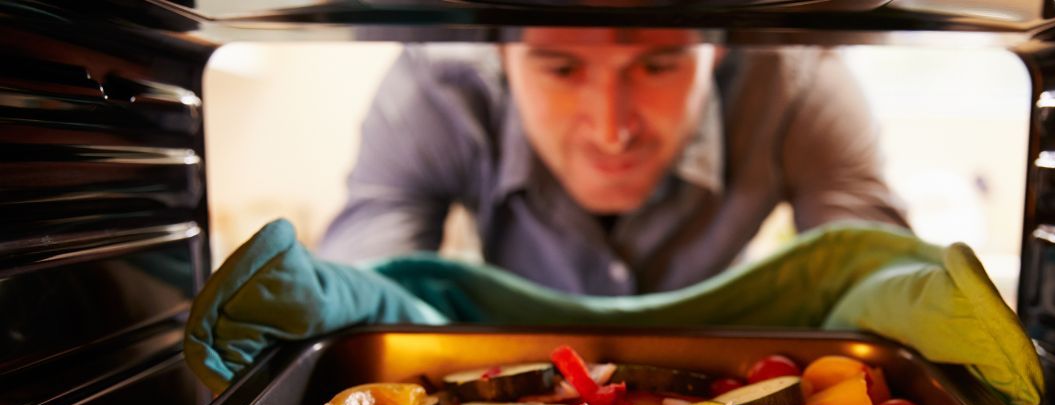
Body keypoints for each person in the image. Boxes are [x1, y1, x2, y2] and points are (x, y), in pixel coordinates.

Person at [319, 28, 907, 295]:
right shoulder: (437, 85)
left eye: (657, 67)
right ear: (501, 48)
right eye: (561, 69)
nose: (612, 131)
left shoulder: (795, 82)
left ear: (717, 45)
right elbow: (364, 283)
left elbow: (875, 278)